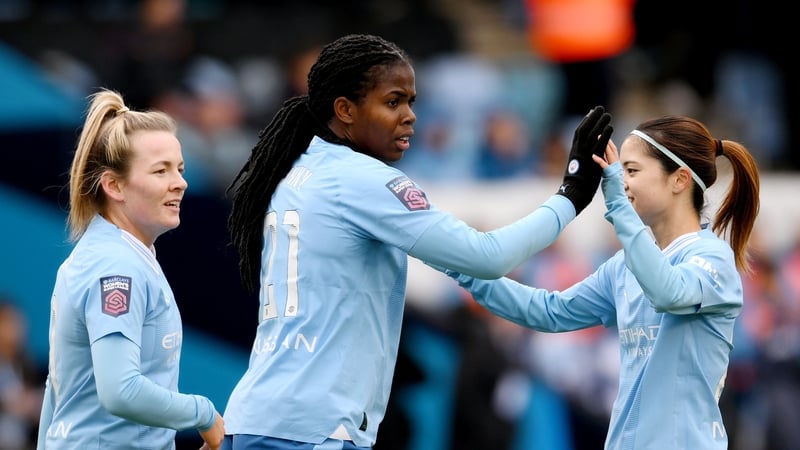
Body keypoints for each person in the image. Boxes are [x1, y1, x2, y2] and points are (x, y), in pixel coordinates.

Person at [222, 33, 612, 449]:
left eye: (411, 102)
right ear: (345, 109)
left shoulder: (296, 169)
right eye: (392, 102)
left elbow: (473, 272)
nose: (409, 116)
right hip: (312, 429)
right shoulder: (364, 181)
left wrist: (548, 308)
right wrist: (571, 196)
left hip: (260, 417)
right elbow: (488, 257)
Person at [435, 115, 761, 449]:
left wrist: (617, 204)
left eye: (631, 171)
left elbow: (668, 292)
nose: (622, 183)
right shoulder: (624, 265)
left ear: (679, 179)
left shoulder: (713, 259)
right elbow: (548, 312)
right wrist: (460, 263)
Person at [36, 89, 225, 450]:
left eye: (180, 169)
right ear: (114, 185)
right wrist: (204, 414)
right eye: (161, 170)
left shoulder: (116, 254)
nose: (180, 182)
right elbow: (120, 391)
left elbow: (59, 386)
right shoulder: (116, 267)